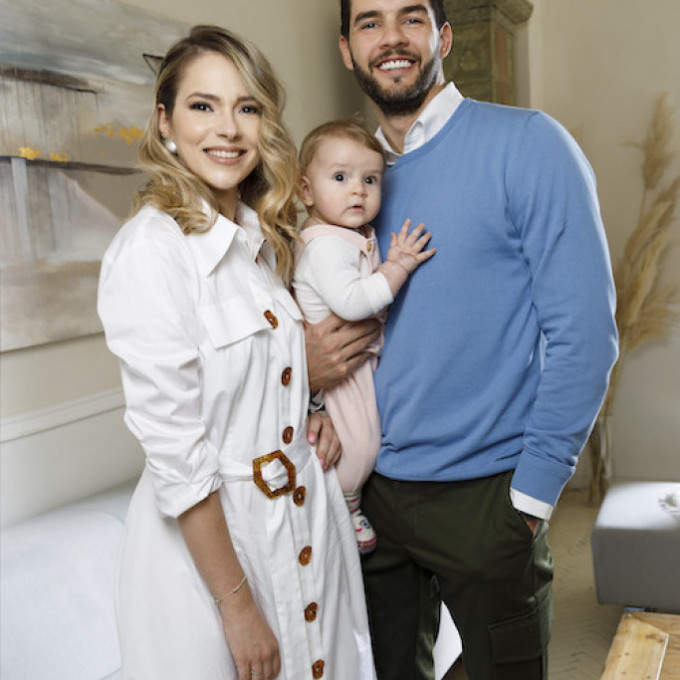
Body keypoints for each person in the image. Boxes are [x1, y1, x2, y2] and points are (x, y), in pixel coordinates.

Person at [306, 1, 620, 679]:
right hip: (372, 497)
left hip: (487, 498)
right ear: (347, 49)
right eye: (369, 22)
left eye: (411, 18)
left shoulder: (530, 144)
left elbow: (585, 334)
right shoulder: (345, 179)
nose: (391, 37)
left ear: (443, 36)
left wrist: (530, 499)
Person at [97, 25, 376, 680]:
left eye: (246, 107)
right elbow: (177, 454)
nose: (227, 129)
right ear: (165, 121)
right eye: (203, 105)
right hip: (219, 556)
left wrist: (306, 413)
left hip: (306, 523)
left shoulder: (259, 240)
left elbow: (265, 376)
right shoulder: (151, 251)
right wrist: (238, 607)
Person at [293, 118, 435, 554]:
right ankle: (346, 504)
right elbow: (354, 302)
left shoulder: (347, 237)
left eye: (370, 180)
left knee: (364, 435)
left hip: (353, 364)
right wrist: (398, 266)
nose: (358, 190)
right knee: (358, 447)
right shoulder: (324, 246)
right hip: (340, 374)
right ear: (305, 191)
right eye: (340, 178)